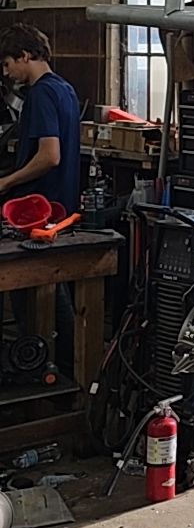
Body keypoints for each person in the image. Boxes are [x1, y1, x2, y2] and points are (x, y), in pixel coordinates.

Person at [0, 24, 82, 375]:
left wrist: (6, 181)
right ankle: (62, 366)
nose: (6, 73)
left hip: (37, 212)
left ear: (25, 56)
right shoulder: (65, 89)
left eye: (7, 64)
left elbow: (50, 155)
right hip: (59, 208)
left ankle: (41, 369)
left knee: (32, 295)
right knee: (53, 291)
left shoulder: (41, 94)